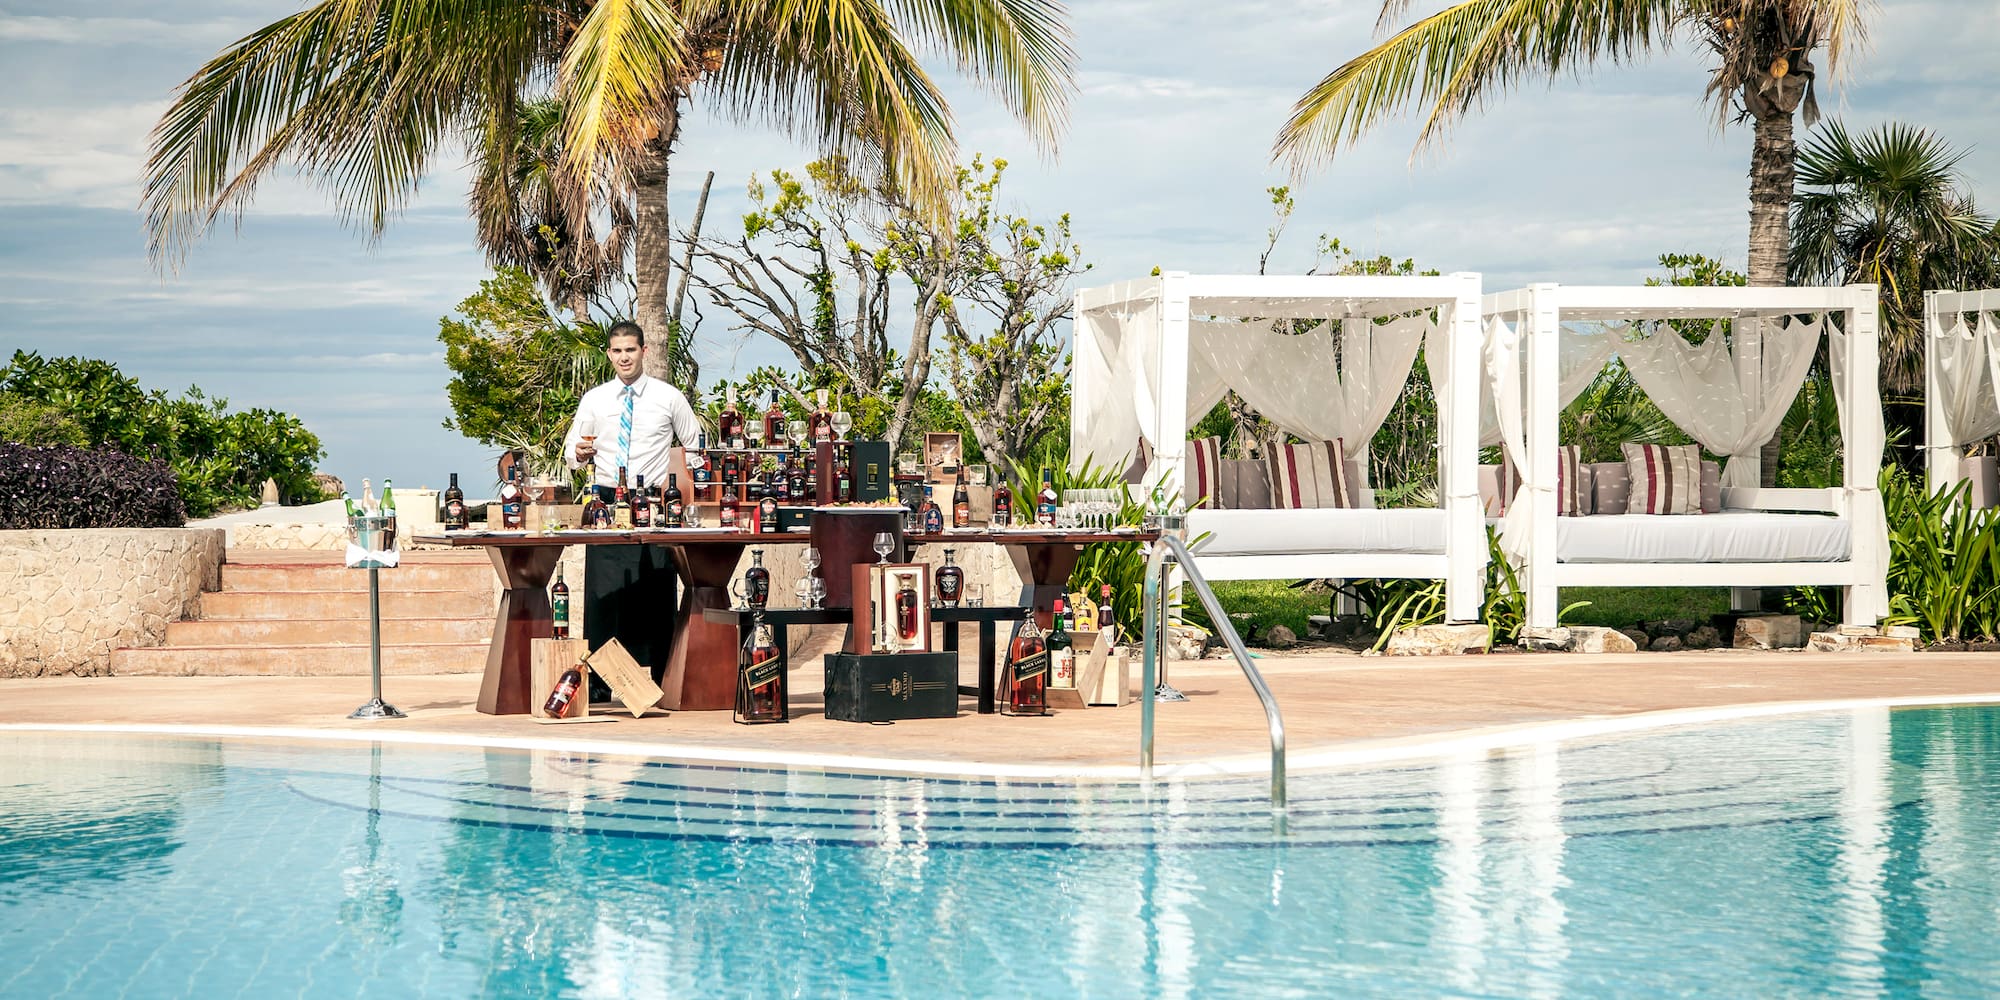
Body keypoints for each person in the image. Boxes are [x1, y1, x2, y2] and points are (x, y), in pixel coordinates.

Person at [562, 321, 699, 687]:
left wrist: (684, 492)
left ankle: (659, 679)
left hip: (654, 504)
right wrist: (578, 451)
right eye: (617, 351)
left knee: (655, 594)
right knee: (604, 597)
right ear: (609, 354)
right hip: (606, 503)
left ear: (644, 352)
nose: (624, 357)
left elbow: (696, 448)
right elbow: (570, 452)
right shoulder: (595, 399)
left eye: (631, 350)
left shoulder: (668, 397)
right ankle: (599, 684)